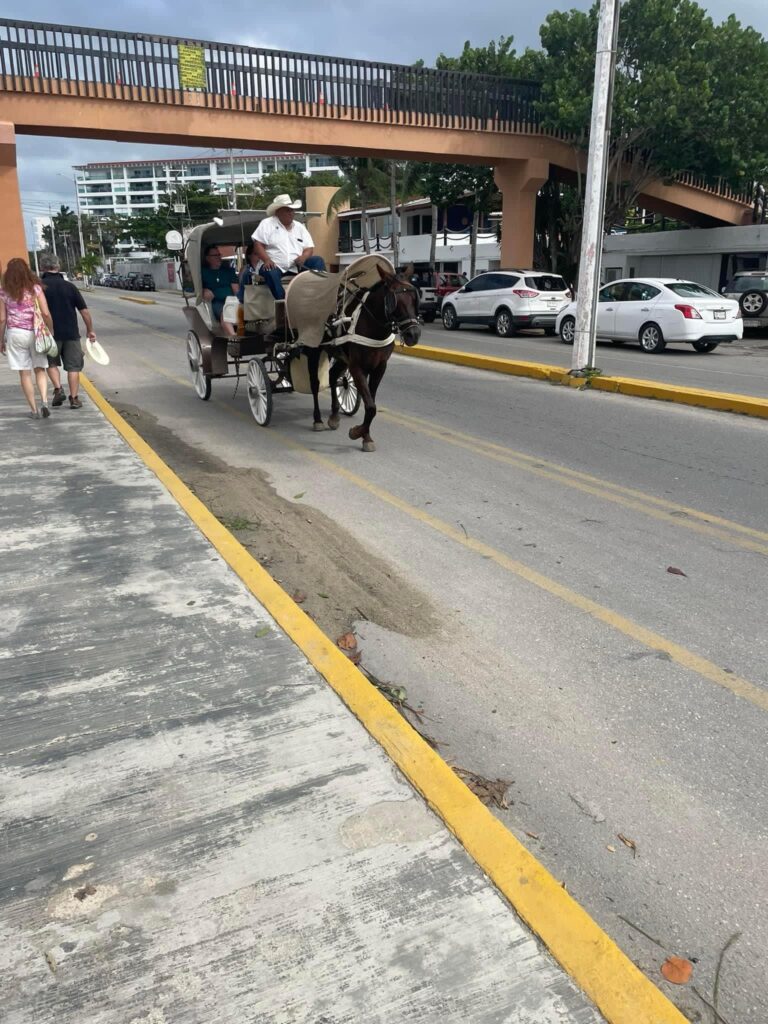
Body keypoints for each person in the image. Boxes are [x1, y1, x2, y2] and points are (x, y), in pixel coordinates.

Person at [0, 257, 55, 419]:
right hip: (35, 333)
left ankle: (34, 410)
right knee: (40, 369)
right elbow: (45, 313)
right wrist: (50, 330)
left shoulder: (3, 291)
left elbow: (2, 319)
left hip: (15, 334)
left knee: (24, 374)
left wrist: (1, 339)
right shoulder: (35, 289)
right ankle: (44, 401)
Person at [40, 254, 95, 410]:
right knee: (74, 367)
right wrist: (90, 330)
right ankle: (74, 398)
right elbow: (84, 311)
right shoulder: (70, 287)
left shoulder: (39, 288)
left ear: (43, 268)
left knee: (51, 364)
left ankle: (58, 389)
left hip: (49, 335)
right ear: (58, 267)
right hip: (71, 334)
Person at [251, 194, 326, 300]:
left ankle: (320, 294)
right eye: (288, 210)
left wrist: (303, 257)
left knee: (317, 261)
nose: (291, 213)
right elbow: (258, 244)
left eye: (292, 210)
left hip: (296, 265)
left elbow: (309, 248)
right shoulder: (267, 223)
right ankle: (283, 302)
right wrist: (266, 260)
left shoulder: (299, 226)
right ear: (278, 212)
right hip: (274, 265)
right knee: (270, 272)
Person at [201, 245, 238, 337]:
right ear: (208, 258)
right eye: (215, 255)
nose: (219, 257)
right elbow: (193, 288)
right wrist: (203, 290)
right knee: (225, 314)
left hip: (232, 300)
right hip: (218, 302)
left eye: (219, 255)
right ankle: (233, 336)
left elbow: (236, 289)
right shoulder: (203, 272)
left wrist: (240, 301)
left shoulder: (229, 271)